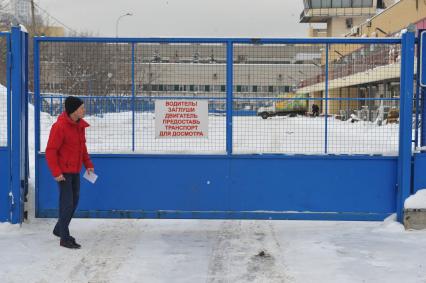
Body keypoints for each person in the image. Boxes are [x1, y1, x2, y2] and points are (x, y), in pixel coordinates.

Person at [45, 96, 94, 249]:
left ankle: (59, 228)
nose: (84, 110)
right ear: (74, 111)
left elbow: (82, 148)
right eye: (82, 108)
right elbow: (51, 151)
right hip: (63, 173)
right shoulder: (59, 127)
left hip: (75, 171)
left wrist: (88, 165)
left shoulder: (79, 126)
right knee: (67, 204)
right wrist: (56, 172)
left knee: (74, 202)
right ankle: (64, 238)